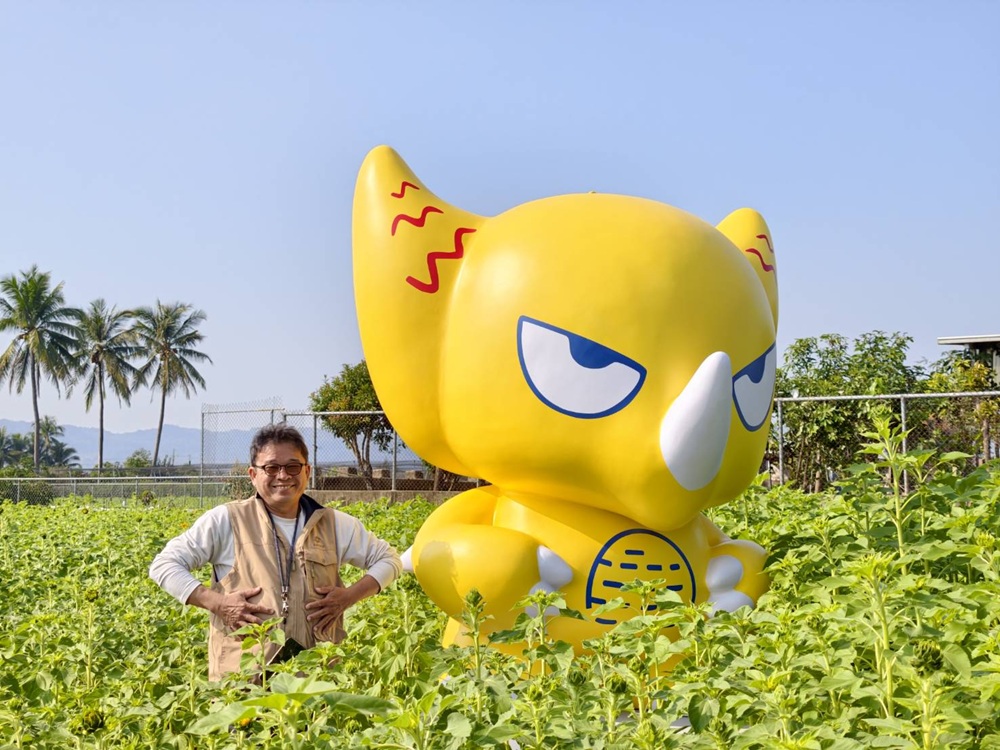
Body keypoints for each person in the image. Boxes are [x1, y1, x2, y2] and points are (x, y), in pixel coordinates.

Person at [149, 423, 402, 680]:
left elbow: (389, 559)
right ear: (253, 474)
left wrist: (348, 597)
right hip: (243, 685)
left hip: (314, 683)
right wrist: (218, 603)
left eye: (293, 467)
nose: (283, 475)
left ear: (307, 471)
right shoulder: (227, 520)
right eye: (271, 467)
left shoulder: (334, 524)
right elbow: (165, 565)